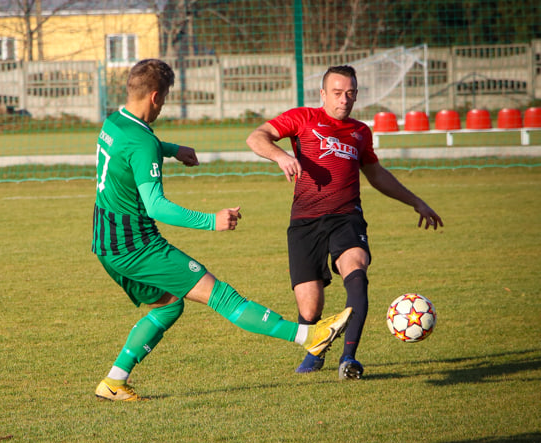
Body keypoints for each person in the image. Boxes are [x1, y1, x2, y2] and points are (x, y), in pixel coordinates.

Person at [92, 58, 354, 401]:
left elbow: (135, 147)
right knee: (221, 296)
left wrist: (171, 150)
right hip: (136, 246)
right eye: (166, 98)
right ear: (156, 97)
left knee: (169, 305)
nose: (164, 105)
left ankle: (114, 381)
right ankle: (309, 336)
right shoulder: (142, 142)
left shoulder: (114, 122)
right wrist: (211, 221)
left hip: (106, 242)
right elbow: (156, 205)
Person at [246, 65, 444, 380]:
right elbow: (257, 136)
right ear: (323, 94)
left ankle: (348, 358)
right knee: (309, 311)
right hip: (305, 222)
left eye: (350, 93)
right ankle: (315, 350)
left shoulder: (360, 132)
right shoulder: (303, 118)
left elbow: (376, 174)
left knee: (357, 270)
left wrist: (415, 201)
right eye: (337, 93)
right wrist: (281, 156)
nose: (344, 100)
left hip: (346, 218)